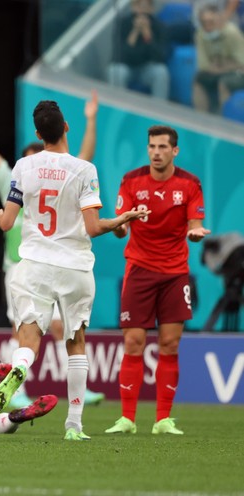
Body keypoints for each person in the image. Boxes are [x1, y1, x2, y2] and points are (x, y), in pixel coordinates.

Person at [0, 100, 148, 441]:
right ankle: (74, 425)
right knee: (75, 342)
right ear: (67, 127)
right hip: (73, 267)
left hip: (33, 265)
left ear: (39, 134)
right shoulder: (85, 170)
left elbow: (8, 222)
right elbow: (94, 227)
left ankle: (21, 368)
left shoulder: (24, 166)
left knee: (28, 337)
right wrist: (121, 219)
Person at [0, 85, 105, 409]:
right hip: (30, 262)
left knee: (37, 330)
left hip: (33, 263)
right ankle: (51, 392)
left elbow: (79, 160)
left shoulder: (23, 171)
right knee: (48, 330)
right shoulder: (16, 174)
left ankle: (19, 375)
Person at [105, 125, 209, 436]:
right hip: (138, 270)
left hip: (175, 273)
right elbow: (120, 226)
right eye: (152, 147)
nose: (156, 152)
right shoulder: (131, 181)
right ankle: (127, 419)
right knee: (133, 343)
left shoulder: (190, 184)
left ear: (175, 151)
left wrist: (194, 233)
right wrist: (121, 226)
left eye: (163, 147)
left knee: (169, 343)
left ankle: (163, 419)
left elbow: (196, 223)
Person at [107, 0, 171, 99]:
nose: (141, 11)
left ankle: (158, 109)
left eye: (145, 6)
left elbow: (160, 57)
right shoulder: (122, 23)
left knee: (161, 72)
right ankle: (117, 109)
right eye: (138, 5)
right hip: (126, 66)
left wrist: (147, 35)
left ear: (151, 9)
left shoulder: (159, 26)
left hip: (146, 68)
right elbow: (119, 55)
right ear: (133, 7)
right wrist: (135, 31)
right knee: (116, 71)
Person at [192, 2, 244, 113]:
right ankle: (200, 116)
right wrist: (220, 66)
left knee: (224, 82)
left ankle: (222, 118)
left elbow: (241, 63)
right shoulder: (200, 34)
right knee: (199, 78)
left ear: (220, 21)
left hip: (238, 73)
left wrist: (221, 67)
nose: (208, 26)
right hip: (217, 70)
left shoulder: (232, 33)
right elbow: (203, 65)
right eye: (204, 23)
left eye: (211, 22)